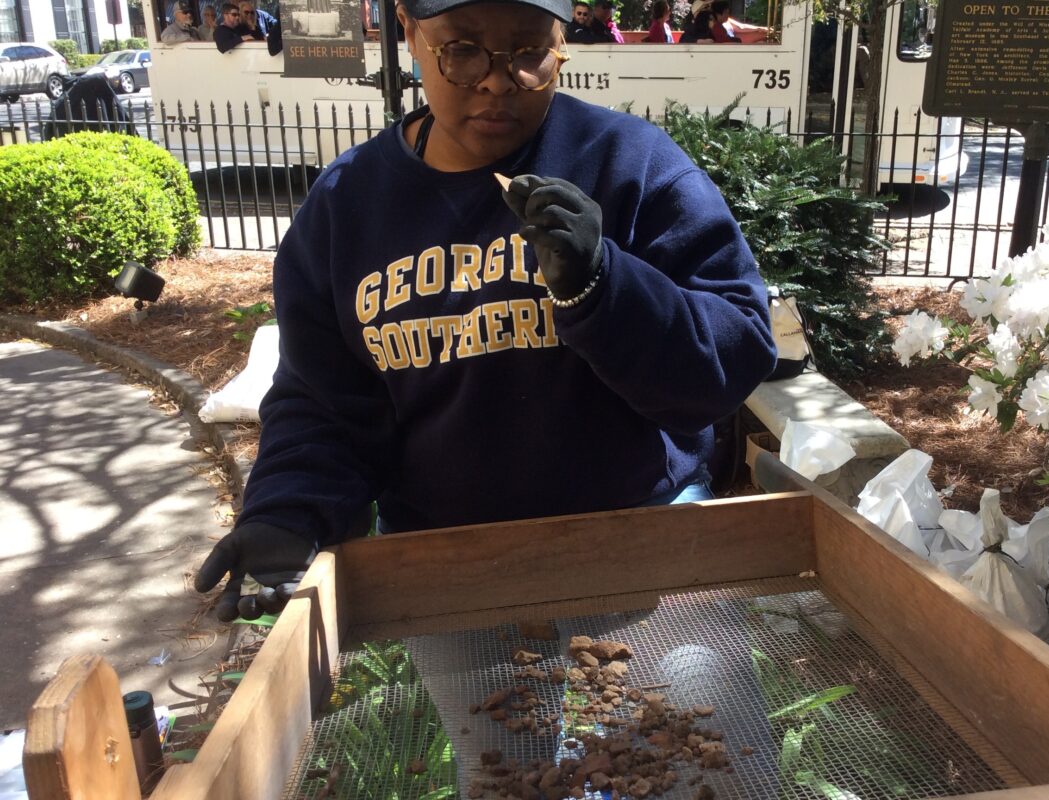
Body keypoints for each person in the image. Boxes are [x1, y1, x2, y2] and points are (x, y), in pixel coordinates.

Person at [193, 0, 776, 624]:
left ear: (560, 43)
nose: (499, 80)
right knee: (498, 725)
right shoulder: (346, 208)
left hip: (644, 537)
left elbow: (735, 354)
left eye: (529, 53)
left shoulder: (629, 164)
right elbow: (323, 400)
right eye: (463, 50)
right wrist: (290, 510)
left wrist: (604, 286)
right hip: (449, 570)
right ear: (410, 32)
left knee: (692, 723)